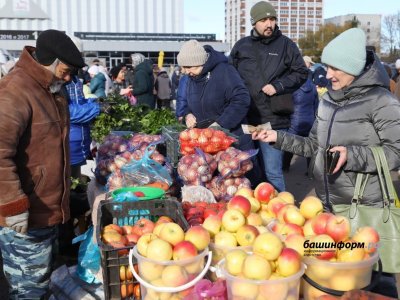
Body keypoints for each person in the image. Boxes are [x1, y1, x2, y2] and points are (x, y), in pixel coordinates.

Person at [252, 28, 400, 211]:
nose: (328, 74)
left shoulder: (382, 101)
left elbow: (396, 152)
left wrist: (351, 156)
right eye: (327, 66)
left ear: (352, 67)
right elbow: (314, 146)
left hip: (365, 208)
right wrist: (278, 137)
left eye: (335, 68)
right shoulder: (328, 100)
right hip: (326, 204)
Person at [0, 29, 85, 298]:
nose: (69, 77)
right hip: (26, 216)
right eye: (66, 70)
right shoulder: (15, 91)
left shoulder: (48, 89)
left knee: (41, 282)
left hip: (46, 212)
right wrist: (13, 205)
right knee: (28, 289)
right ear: (50, 61)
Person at [230, 1, 308, 192]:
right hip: (247, 119)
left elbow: (301, 73)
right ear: (254, 22)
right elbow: (230, 77)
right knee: (248, 170)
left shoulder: (287, 45)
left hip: (274, 120)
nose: (269, 24)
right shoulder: (242, 46)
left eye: (272, 19)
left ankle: (280, 212)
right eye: (264, 20)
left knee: (273, 172)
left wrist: (278, 86)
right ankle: (253, 212)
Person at [177, 40, 265, 189]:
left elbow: (241, 98)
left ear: (201, 63)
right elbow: (189, 103)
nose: (185, 71)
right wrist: (188, 114)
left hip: (233, 139)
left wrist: (221, 124)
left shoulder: (224, 71)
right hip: (208, 142)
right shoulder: (193, 77)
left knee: (241, 183)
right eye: (183, 68)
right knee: (217, 187)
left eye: (188, 67)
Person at [282, 75, 319, 173]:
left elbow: (287, 106)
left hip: (295, 120)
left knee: (289, 144)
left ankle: (285, 167)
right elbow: (316, 105)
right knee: (309, 145)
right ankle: (310, 170)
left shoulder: (292, 86)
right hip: (310, 120)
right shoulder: (312, 86)